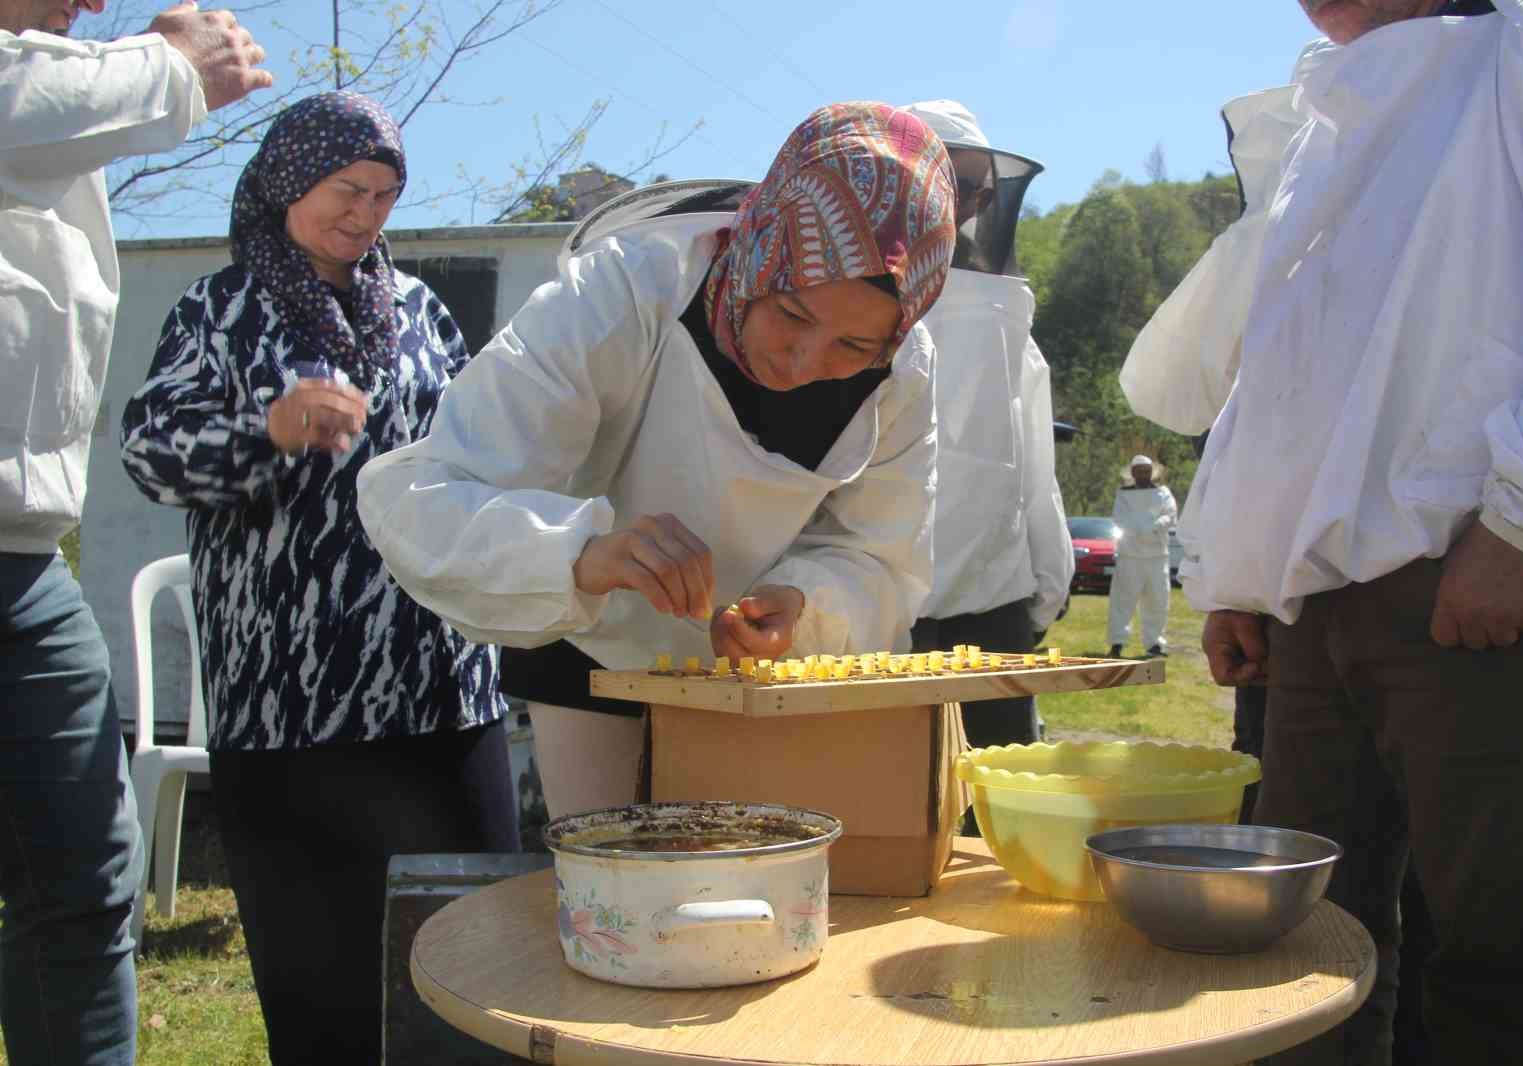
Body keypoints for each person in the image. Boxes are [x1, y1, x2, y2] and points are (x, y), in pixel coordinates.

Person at [1179, 1, 1523, 1063]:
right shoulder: (1325, 111)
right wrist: (1239, 564)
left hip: (1483, 590)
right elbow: (1280, 364)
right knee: (1304, 954)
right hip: (1317, 603)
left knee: (1491, 965)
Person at [357, 102, 956, 820]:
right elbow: (420, 497)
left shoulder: (903, 373)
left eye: (853, 348)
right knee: (613, 894)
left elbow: (886, 561)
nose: (804, 362)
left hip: (766, 680)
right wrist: (583, 553)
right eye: (792, 316)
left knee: (758, 897)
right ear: (758, 251)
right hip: (590, 654)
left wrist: (804, 610)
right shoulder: (622, 294)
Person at [119, 91, 515, 1065]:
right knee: (322, 995)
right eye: (347, 189)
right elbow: (151, 452)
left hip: (438, 690)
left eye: (384, 195)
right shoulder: (218, 311)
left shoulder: (420, 310)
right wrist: (269, 430)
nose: (366, 214)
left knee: (479, 970)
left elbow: (476, 451)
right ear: (287, 181)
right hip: (293, 701)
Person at [0, 4, 270, 1063]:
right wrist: (167, 68)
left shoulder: (62, 100)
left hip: (23, 564)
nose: (90, 6)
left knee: (83, 876)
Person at [899, 99, 1070, 752]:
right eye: (956, 183)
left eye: (982, 188)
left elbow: (1030, 466)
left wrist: (1045, 587)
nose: (971, 202)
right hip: (880, 602)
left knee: (997, 796)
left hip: (993, 605)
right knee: (887, 801)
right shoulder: (833, 298)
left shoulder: (1002, 313)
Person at [1106, 455, 1176, 659]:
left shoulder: (1162, 493)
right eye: (1140, 470)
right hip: (1130, 556)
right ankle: (1117, 643)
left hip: (1157, 556)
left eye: (1147, 470)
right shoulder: (1123, 494)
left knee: (1157, 601)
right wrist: (1138, 529)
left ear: (1151, 471)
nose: (1144, 474)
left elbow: (1170, 515)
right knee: (1122, 601)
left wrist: (1153, 527)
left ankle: (1155, 643)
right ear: (1133, 473)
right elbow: (1120, 518)